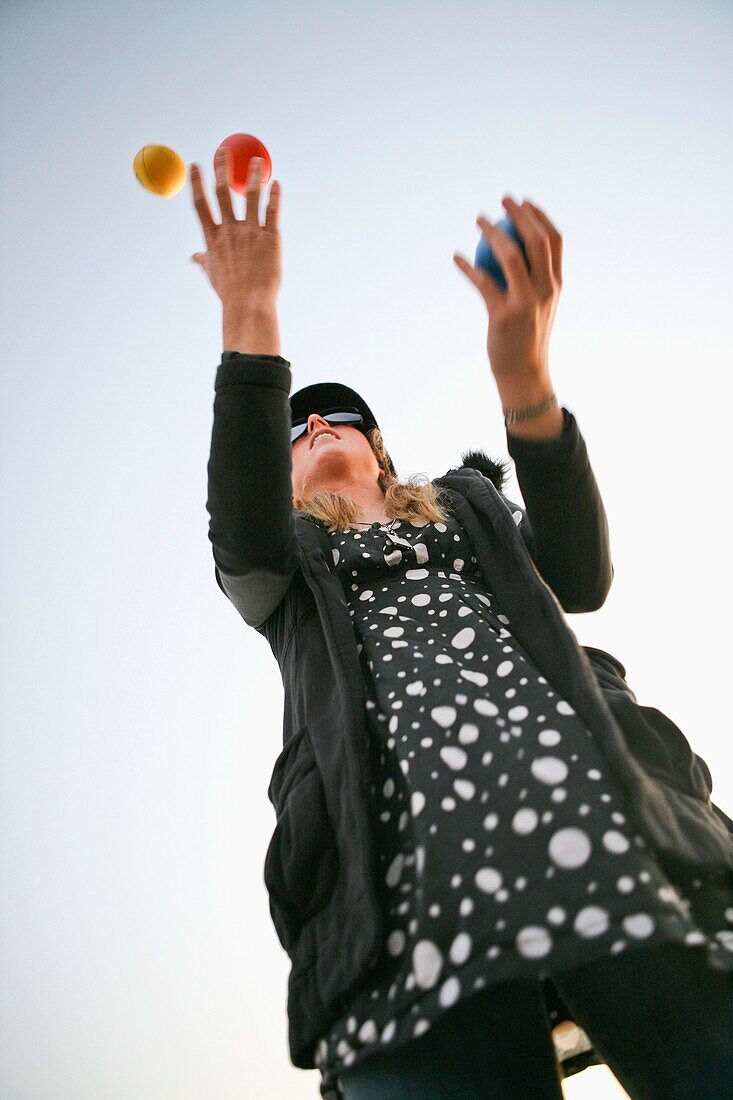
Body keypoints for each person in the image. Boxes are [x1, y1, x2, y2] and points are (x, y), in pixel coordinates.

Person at [191, 152, 733, 1099]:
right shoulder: (280, 577)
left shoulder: (468, 510)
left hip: (607, 827)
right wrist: (252, 316)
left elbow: (580, 573)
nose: (316, 423)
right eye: (295, 424)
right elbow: (236, 518)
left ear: (378, 448)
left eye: (341, 418)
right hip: (399, 899)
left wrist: (524, 374)